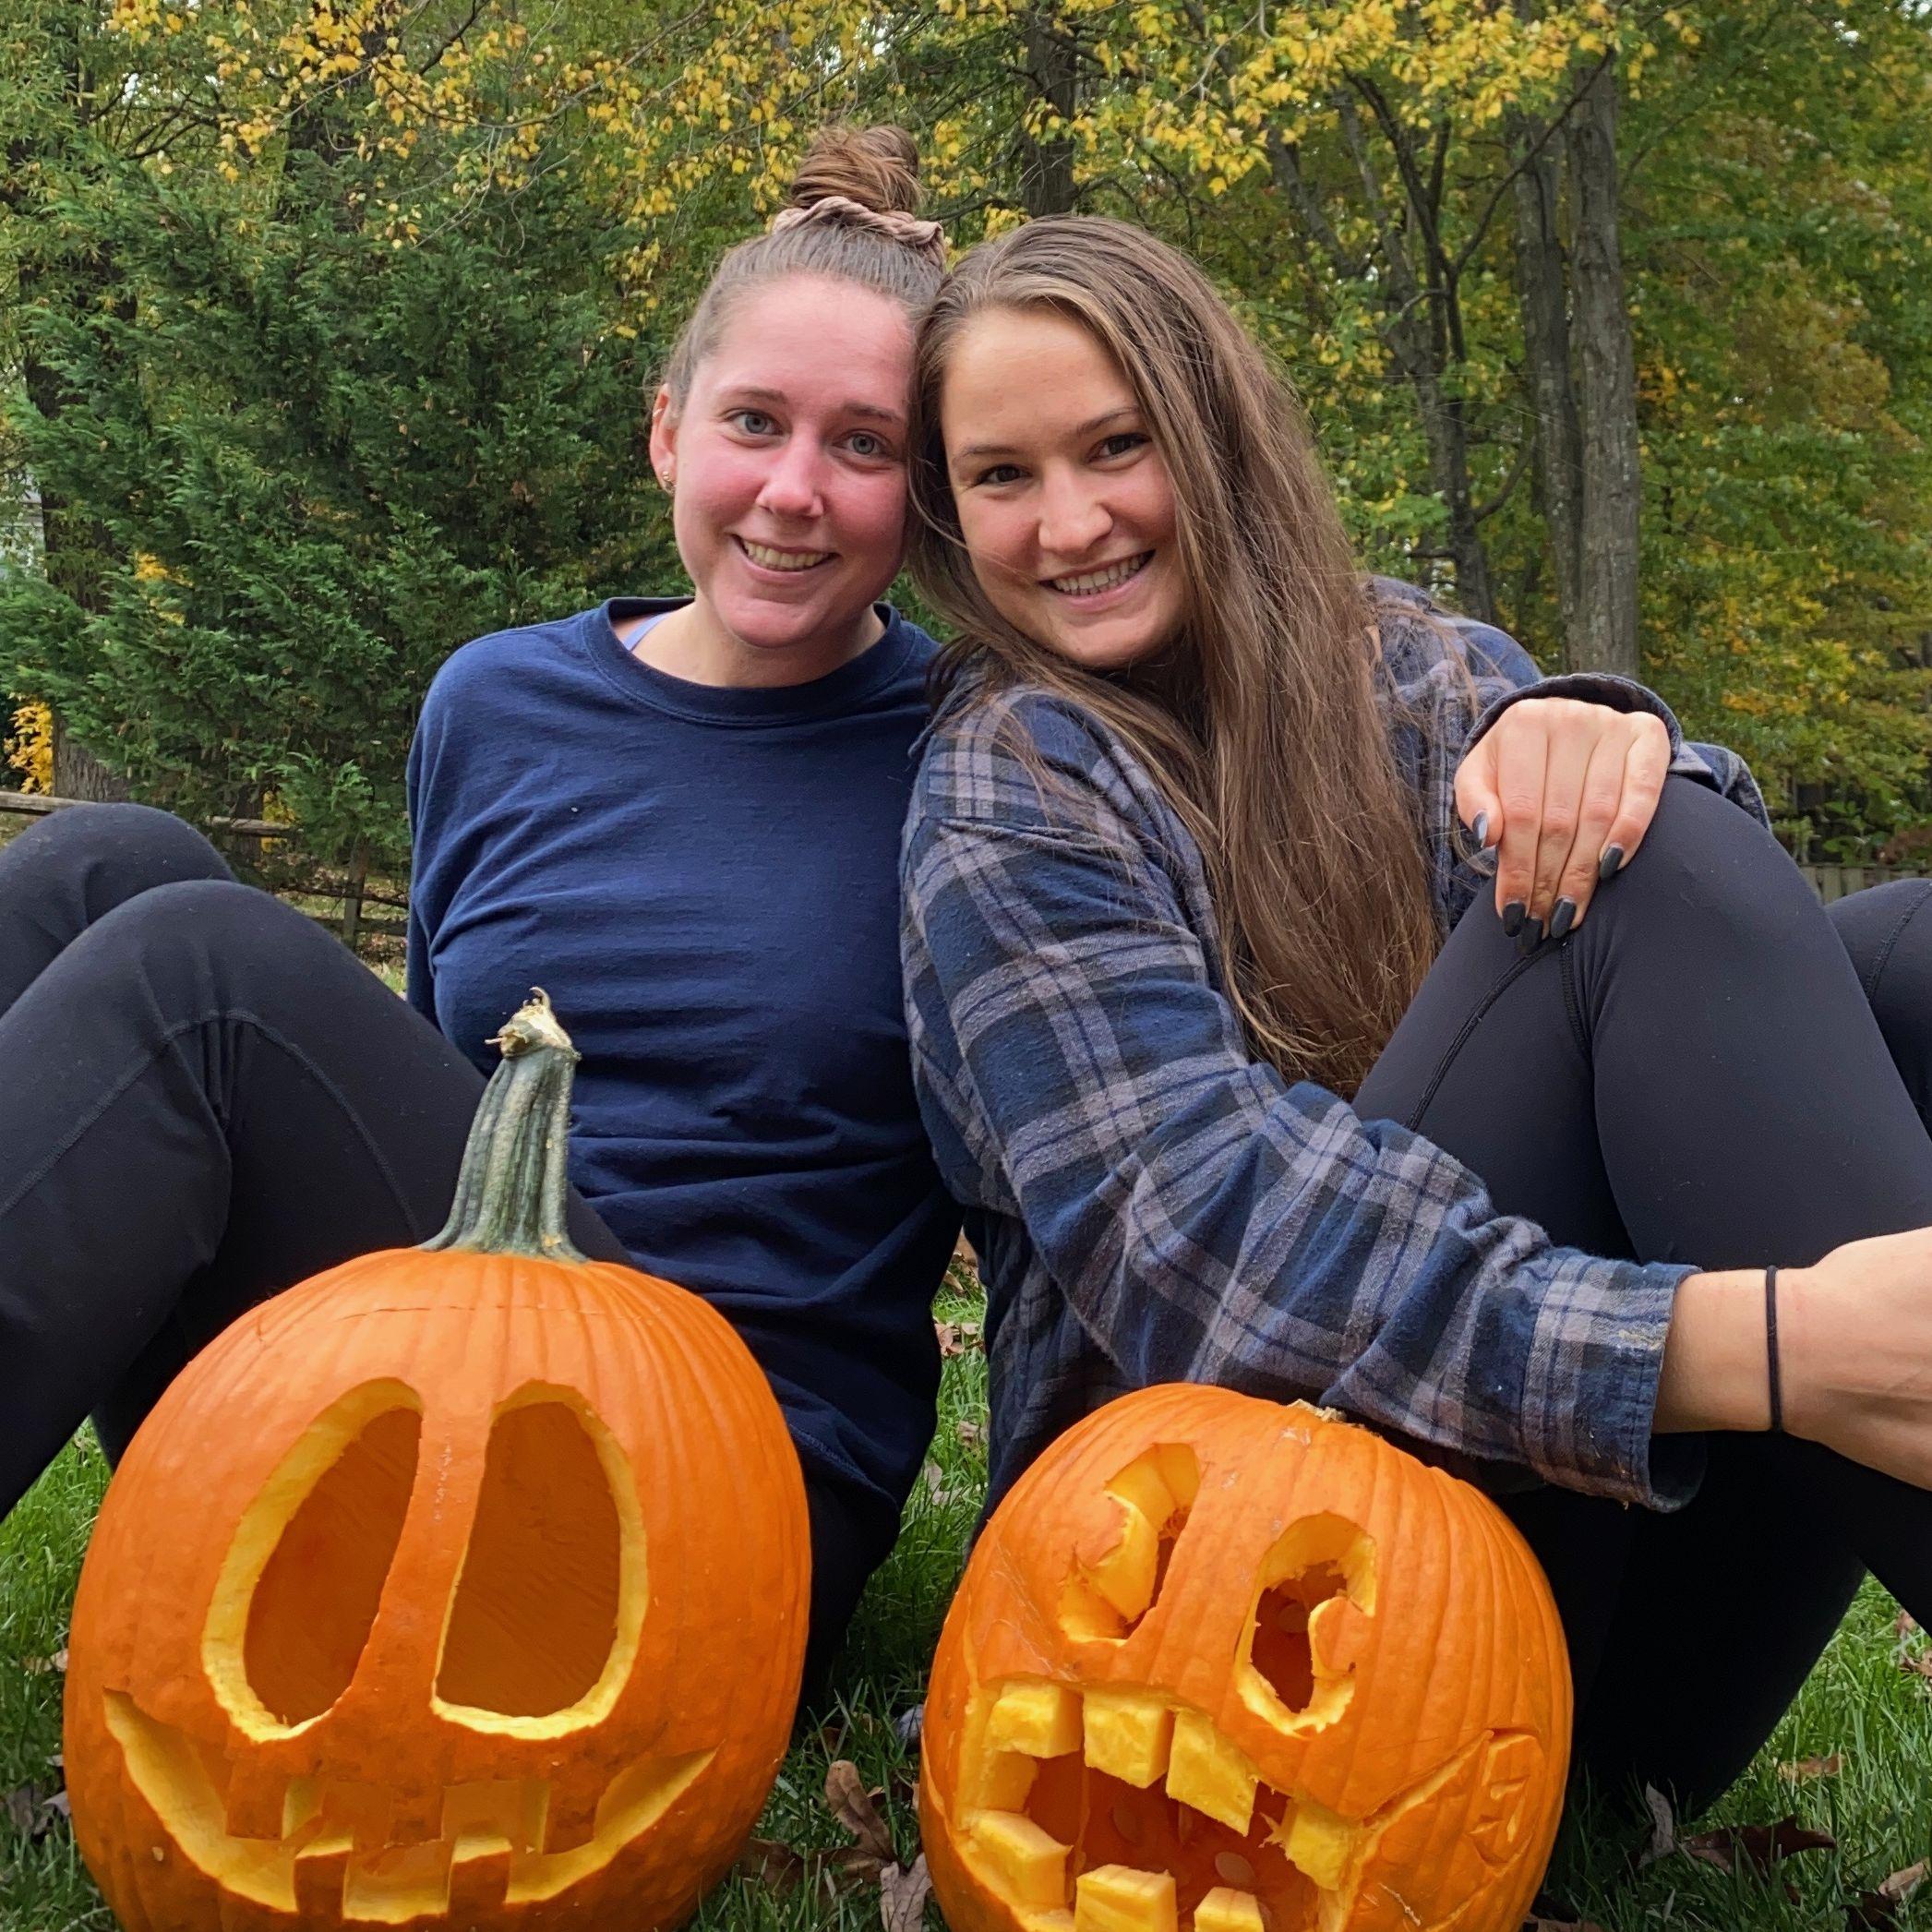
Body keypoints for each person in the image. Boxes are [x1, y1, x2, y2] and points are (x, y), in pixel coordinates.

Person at [897, 211, 1932, 1811]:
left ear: (1214, 430)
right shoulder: (1005, 795)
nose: (1072, 520)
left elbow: (1727, 993)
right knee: (1636, 880)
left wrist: (1618, 743)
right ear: (948, 515)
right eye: (1001, 476)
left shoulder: (1403, 666)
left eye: (1116, 445)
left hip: (1604, 1638)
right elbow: (1206, 1254)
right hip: (1242, 1686)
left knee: (1900, 958)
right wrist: (1773, 1347)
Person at [0, 125, 958, 1690]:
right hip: (448, 1372)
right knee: (100, 863)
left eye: (863, 445)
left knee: (206, 973)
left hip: (715, 1505)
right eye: (753, 422)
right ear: (666, 431)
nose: (794, 491)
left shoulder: (974, 754)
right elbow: (430, 1090)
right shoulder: (497, 702)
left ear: (921, 493)